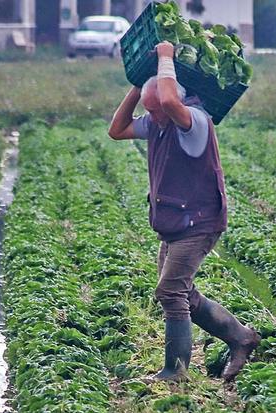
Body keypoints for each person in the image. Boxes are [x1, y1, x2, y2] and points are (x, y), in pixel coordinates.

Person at [107, 40, 260, 382]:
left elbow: (169, 101)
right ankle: (241, 338)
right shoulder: (158, 122)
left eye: (157, 108)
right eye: (151, 110)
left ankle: (175, 372)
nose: (153, 116)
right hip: (177, 221)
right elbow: (116, 130)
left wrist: (164, 58)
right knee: (182, 293)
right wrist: (136, 87)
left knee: (170, 292)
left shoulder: (194, 121)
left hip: (199, 221)